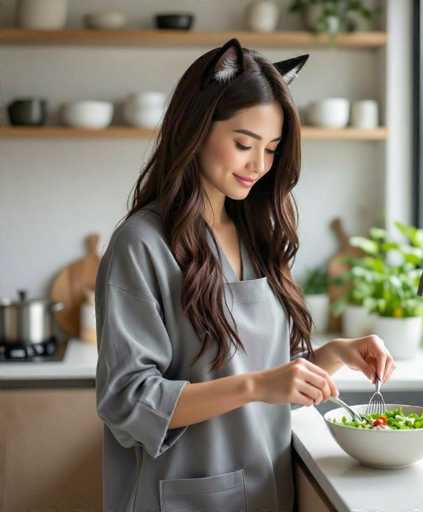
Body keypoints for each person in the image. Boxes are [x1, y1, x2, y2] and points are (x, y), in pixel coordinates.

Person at [95, 37, 396, 512]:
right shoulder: (141, 244)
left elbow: (266, 380)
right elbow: (129, 402)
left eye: (272, 149)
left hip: (265, 488)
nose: (259, 165)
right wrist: (258, 385)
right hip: (180, 496)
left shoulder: (256, 236)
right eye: (243, 144)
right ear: (195, 129)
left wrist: (334, 355)